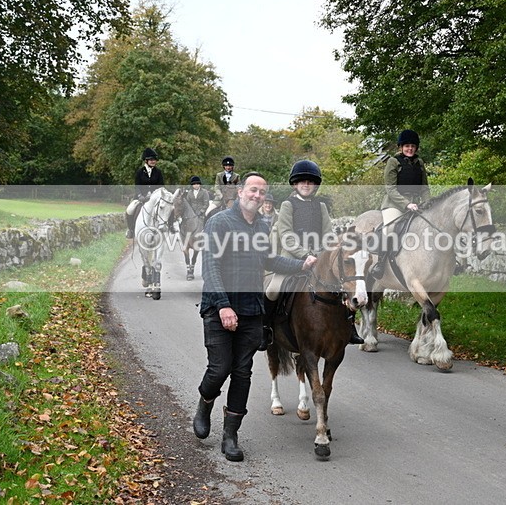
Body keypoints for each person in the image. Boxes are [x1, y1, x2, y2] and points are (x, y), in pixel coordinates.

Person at [194, 171, 317, 461]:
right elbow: (210, 267)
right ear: (240, 192)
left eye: (262, 192)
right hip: (218, 307)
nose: (257, 196)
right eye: (252, 190)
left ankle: (230, 436)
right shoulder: (219, 222)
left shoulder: (263, 226)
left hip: (251, 310)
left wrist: (302, 265)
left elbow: (269, 260)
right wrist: (223, 306)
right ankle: (205, 401)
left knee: (242, 373)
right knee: (219, 368)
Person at [264, 160, 365, 347]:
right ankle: (266, 328)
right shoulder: (288, 205)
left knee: (343, 284)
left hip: (319, 259)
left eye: (310, 182)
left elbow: (328, 233)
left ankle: (350, 327)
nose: (306, 184)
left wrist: (325, 253)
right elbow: (286, 234)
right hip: (292, 259)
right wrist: (304, 255)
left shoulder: (321, 206)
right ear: (295, 184)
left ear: (315, 185)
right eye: (302, 181)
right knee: (272, 289)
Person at [371, 129, 430, 278]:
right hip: (394, 204)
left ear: (416, 147)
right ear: (401, 147)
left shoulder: (420, 163)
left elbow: (424, 188)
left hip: (416, 205)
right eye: (407, 146)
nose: (410, 149)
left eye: (412, 146)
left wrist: (428, 204)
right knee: (390, 229)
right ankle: (381, 263)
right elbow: (390, 188)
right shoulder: (393, 162)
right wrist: (406, 204)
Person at [125, 147, 165, 239]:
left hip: (155, 198)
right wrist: (140, 196)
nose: (153, 161)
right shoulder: (140, 172)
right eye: (151, 160)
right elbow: (137, 186)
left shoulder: (158, 172)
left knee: (168, 208)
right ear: (146, 161)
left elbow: (161, 186)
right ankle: (131, 230)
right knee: (129, 210)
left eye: (154, 160)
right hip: (141, 197)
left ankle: (169, 227)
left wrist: (154, 194)